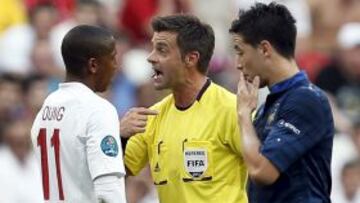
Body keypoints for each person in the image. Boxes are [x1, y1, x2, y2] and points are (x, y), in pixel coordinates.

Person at [120, 14, 248, 203]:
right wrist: (120, 138)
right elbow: (120, 172)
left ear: (191, 58)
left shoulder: (232, 110)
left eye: (161, 50)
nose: (151, 57)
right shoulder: (153, 116)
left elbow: (264, 171)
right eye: (152, 48)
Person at [229, 2, 334, 203]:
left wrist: (243, 114)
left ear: (265, 49)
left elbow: (261, 171)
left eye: (241, 51)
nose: (238, 63)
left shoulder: (305, 99)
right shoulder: (271, 104)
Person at [31, 25, 126, 203]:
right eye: (112, 58)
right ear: (93, 65)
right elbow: (108, 190)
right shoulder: (99, 110)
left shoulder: (46, 108)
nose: (115, 66)